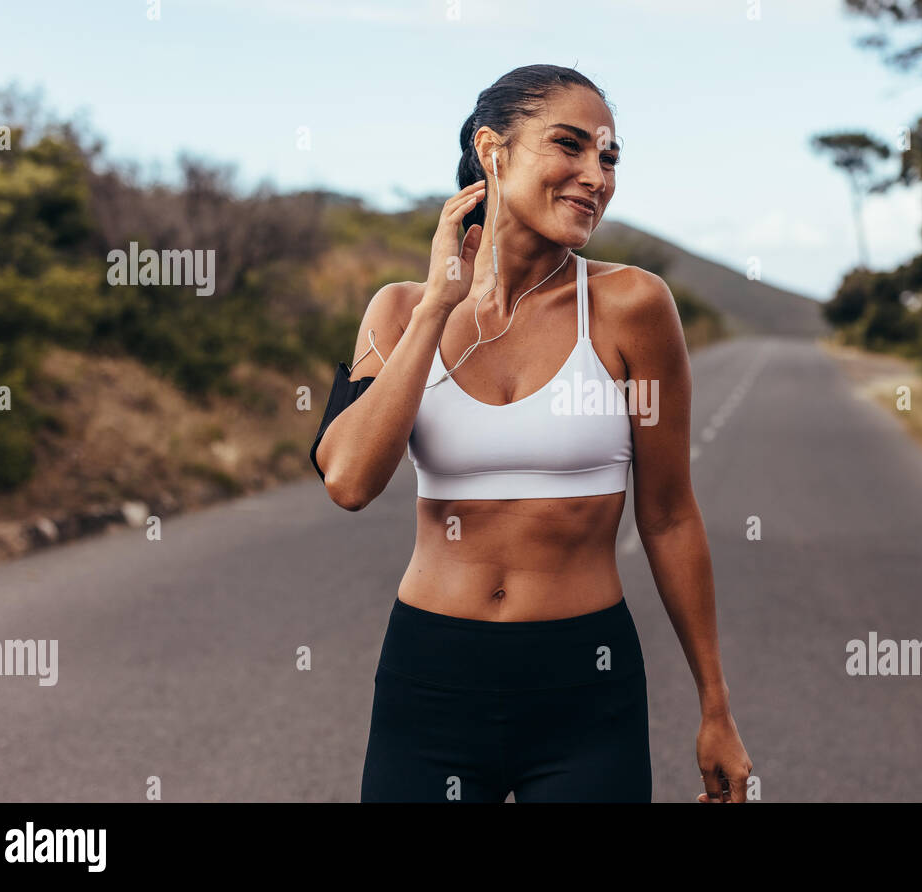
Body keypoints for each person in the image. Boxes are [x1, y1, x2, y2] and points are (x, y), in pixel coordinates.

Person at [311, 64, 750, 802]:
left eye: (608, 158)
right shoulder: (398, 311)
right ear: (493, 150)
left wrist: (716, 707)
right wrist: (438, 307)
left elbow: (670, 515)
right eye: (570, 146)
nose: (595, 176)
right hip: (430, 678)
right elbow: (349, 481)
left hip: (585, 680)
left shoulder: (631, 307)